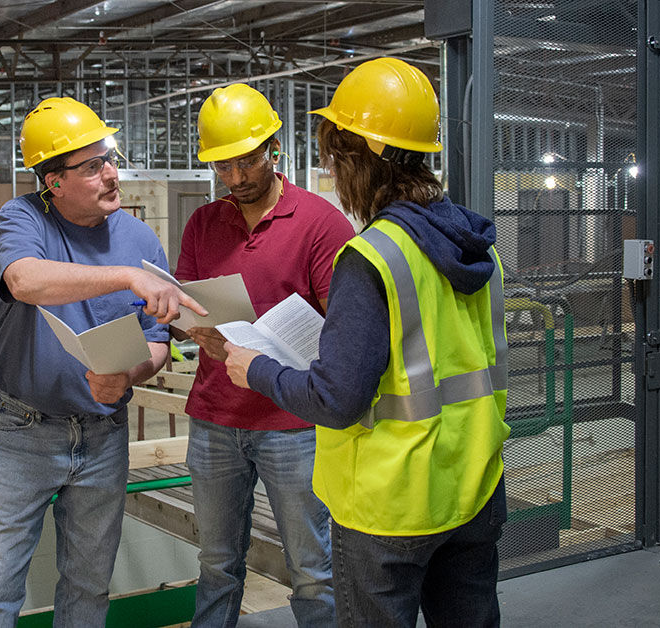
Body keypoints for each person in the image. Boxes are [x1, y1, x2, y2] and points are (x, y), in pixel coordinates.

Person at [223, 58, 510, 627]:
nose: (332, 174)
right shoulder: (479, 249)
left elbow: (337, 398)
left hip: (391, 506)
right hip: (475, 485)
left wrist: (257, 369)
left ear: (360, 162)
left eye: (334, 160)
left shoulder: (371, 258)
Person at [0, 96, 206, 627]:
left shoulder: (140, 239)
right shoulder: (22, 217)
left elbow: (159, 341)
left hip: (103, 434)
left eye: (111, 158)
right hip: (22, 431)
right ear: (53, 181)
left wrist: (130, 374)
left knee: (88, 589)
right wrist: (127, 277)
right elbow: (25, 281)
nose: (111, 175)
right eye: (93, 165)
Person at [175, 83, 354, 627]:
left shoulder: (322, 223)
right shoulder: (204, 223)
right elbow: (184, 303)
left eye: (247, 163)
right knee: (216, 562)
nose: (235, 179)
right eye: (223, 168)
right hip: (215, 418)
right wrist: (191, 329)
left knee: (312, 568)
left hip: (292, 421)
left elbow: (343, 325)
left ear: (274, 150)